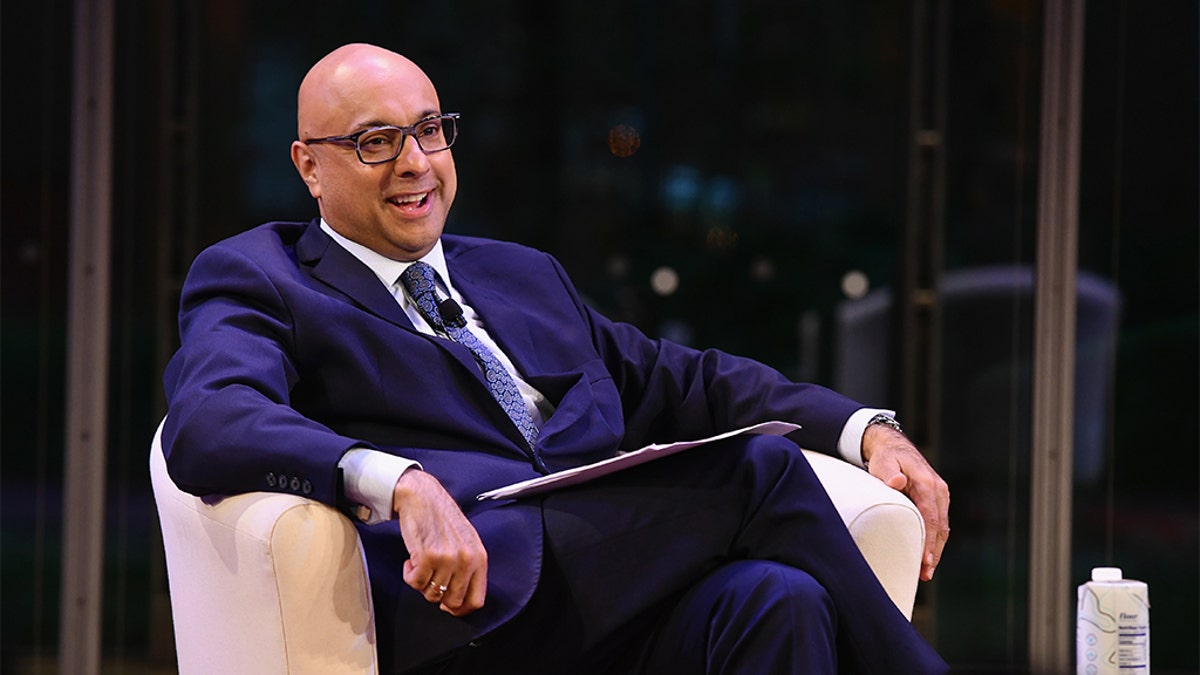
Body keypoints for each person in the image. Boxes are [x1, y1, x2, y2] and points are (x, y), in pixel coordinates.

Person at [162, 42, 950, 674]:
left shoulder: (519, 274)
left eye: (430, 129)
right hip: (474, 607)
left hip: (603, 593)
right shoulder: (263, 276)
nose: (415, 162)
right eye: (376, 141)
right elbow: (211, 418)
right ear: (308, 165)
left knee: (778, 601)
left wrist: (862, 428)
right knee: (762, 471)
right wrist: (395, 479)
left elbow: (681, 377)